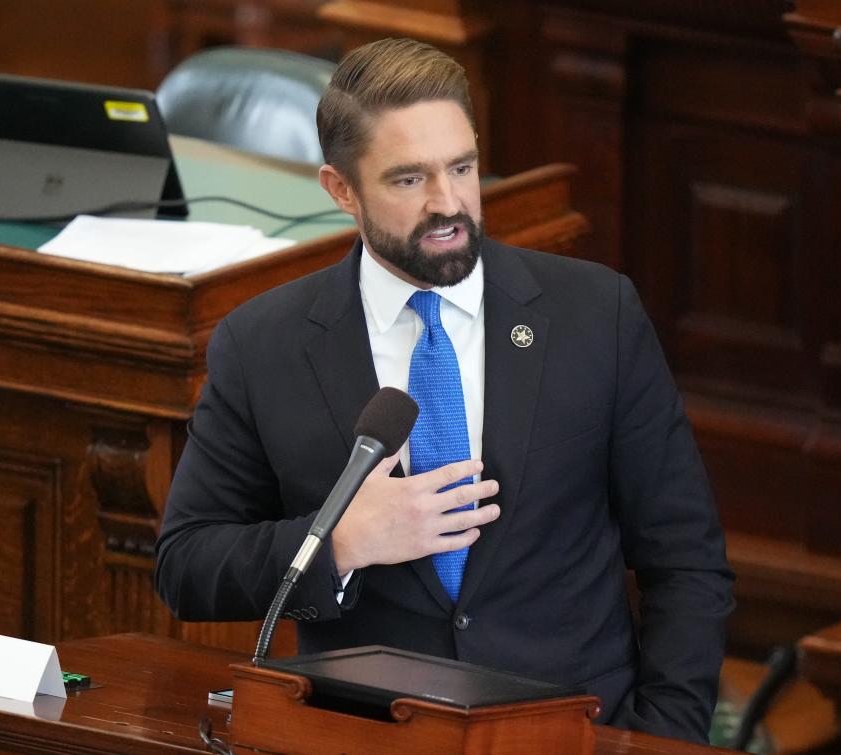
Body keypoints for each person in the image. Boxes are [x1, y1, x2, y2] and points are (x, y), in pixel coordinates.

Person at [154, 37, 734, 744]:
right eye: (408, 180)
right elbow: (186, 564)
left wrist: (663, 738)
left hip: (573, 733)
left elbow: (687, 559)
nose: (448, 202)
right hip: (365, 735)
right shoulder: (263, 344)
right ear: (342, 190)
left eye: (462, 167)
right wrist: (338, 543)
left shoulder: (596, 316)